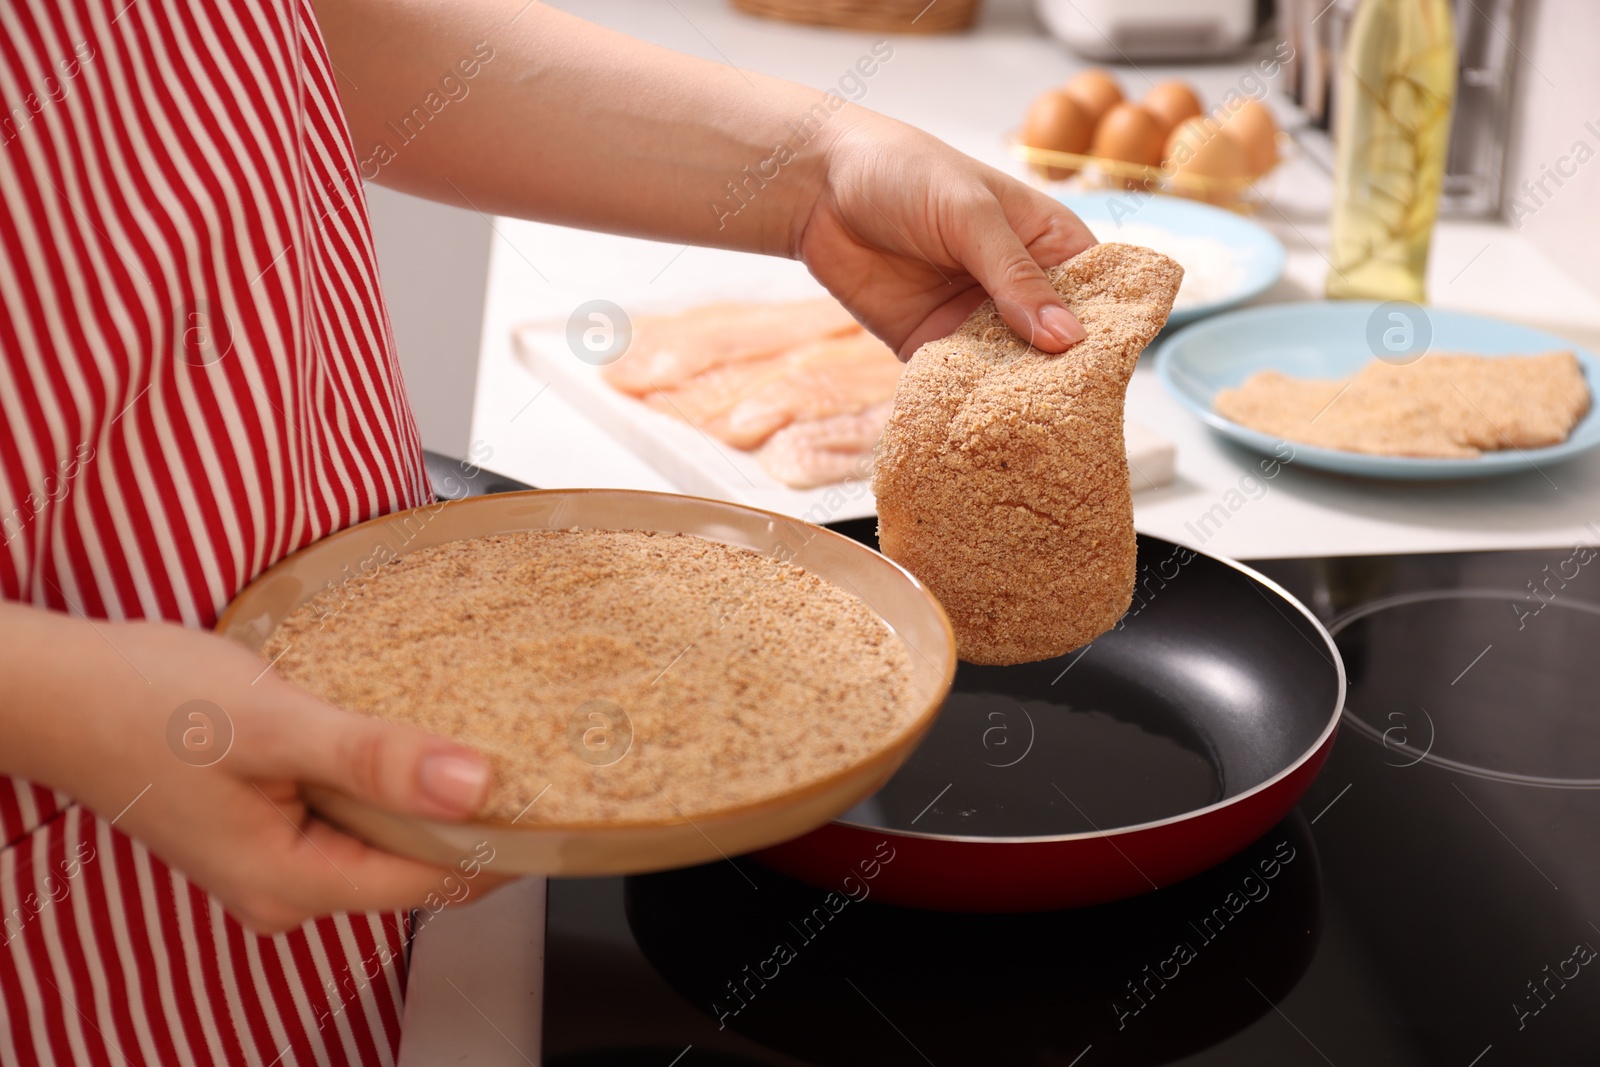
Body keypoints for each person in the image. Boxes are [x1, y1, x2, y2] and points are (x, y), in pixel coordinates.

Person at [0, 0, 1094, 1062]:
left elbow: (261, 32)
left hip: (374, 735)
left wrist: (815, 170)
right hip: (88, 861)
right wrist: (58, 700)